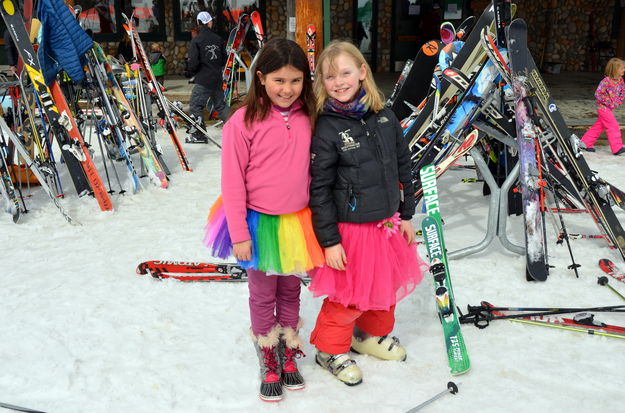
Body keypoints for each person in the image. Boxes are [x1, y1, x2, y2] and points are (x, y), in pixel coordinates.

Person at [202, 38, 324, 402]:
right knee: (262, 292)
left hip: (296, 222)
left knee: (290, 288)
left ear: (306, 81)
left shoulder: (310, 117)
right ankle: (267, 354)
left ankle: (287, 348)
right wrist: (239, 233)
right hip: (256, 222)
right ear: (260, 78)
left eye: (295, 81)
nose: (287, 89)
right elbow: (233, 181)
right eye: (278, 80)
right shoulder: (242, 122)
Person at [308, 40, 427, 386]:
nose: (339, 82)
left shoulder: (386, 117)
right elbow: (319, 189)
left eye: (345, 73)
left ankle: (368, 336)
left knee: (385, 288)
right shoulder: (327, 127)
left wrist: (406, 215)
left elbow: (405, 168)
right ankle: (329, 349)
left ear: (362, 73)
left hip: (387, 224)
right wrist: (329, 241)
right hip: (351, 230)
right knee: (350, 295)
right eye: (329, 77)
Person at [187, 11, 228, 142]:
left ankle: (198, 135)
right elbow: (224, 60)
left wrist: (193, 72)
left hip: (203, 80)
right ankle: (238, 131)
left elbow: (193, 63)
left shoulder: (197, 40)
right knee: (221, 106)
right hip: (216, 78)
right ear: (209, 23)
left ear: (199, 24)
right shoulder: (218, 39)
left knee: (195, 105)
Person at [581, 57, 625, 155]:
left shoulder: (620, 81)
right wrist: (608, 102)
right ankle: (617, 147)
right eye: (622, 68)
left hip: (609, 108)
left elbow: (622, 92)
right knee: (613, 125)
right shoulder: (606, 81)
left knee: (599, 126)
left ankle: (585, 143)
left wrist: (618, 102)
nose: (624, 70)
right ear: (615, 69)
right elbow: (598, 94)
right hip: (603, 108)